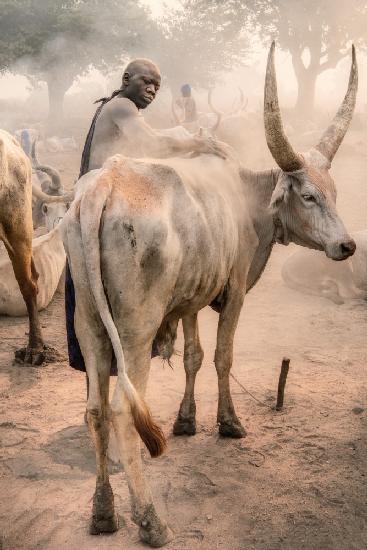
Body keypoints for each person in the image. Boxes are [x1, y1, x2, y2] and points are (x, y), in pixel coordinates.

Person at [66, 58, 226, 375]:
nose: (152, 89)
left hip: (91, 206)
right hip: (105, 204)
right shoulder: (122, 105)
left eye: (157, 86)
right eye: (146, 81)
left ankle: (96, 403)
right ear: (127, 79)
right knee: (114, 310)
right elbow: (150, 142)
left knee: (93, 313)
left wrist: (183, 142)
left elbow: (150, 142)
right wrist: (196, 142)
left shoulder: (121, 109)